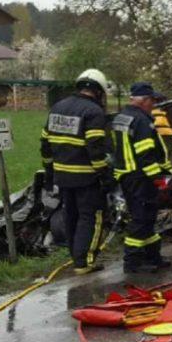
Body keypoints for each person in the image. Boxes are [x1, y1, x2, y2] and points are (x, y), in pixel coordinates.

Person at [41, 69, 113, 274]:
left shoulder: (58, 107)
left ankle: (76, 257)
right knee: (91, 216)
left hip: (62, 176)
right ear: (99, 91)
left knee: (70, 215)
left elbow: (45, 144)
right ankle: (85, 261)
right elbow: (95, 149)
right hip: (86, 176)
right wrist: (105, 176)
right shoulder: (93, 112)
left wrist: (49, 173)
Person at [111, 83, 172, 273]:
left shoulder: (121, 118)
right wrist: (158, 179)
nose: (154, 105)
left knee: (147, 219)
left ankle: (153, 257)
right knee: (141, 219)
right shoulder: (141, 120)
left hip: (128, 176)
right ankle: (132, 262)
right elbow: (146, 154)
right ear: (144, 100)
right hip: (141, 178)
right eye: (152, 101)